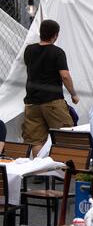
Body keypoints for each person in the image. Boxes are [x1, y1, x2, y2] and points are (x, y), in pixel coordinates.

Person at [22, 19, 79, 157]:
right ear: (56, 35)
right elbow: (65, 76)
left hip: (32, 103)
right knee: (64, 136)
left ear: (40, 33)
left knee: (36, 140)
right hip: (52, 102)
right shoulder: (57, 52)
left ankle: (40, 174)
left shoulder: (29, 50)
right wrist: (73, 94)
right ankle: (63, 172)